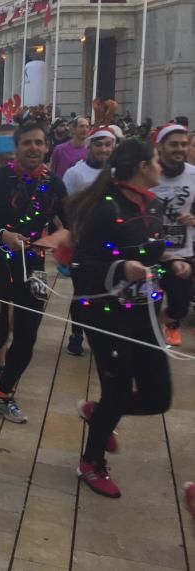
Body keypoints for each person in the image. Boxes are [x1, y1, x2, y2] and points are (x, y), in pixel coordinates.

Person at [68, 139, 179, 498]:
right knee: (117, 390)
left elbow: (148, 253)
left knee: (158, 397)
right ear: (142, 167)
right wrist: (120, 268)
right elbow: (81, 267)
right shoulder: (105, 208)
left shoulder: (156, 205)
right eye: (156, 161)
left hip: (144, 312)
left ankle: (99, 413)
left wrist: (170, 264)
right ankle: (91, 461)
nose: (161, 166)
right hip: (106, 314)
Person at [0, 120, 68, 423]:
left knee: (27, 334)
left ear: (47, 147)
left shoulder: (55, 184)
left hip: (33, 265)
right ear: (17, 147)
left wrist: (60, 238)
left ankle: (3, 394)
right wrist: (2, 235)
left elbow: (72, 223)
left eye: (39, 142)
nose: (33, 148)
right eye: (27, 143)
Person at [61, 126, 117, 357]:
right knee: (81, 292)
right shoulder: (75, 173)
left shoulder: (117, 173)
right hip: (83, 242)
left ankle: (104, 334)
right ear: (90, 146)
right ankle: (77, 333)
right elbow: (65, 205)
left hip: (110, 243)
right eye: (98, 144)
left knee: (107, 292)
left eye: (108, 144)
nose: (103, 149)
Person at [149, 123, 195, 347]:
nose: (179, 149)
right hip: (151, 251)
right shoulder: (150, 172)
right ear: (161, 146)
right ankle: (150, 336)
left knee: (180, 306)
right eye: (174, 144)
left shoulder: (193, 174)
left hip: (182, 251)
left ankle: (157, 325)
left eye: (184, 144)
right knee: (151, 301)